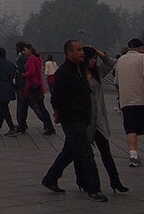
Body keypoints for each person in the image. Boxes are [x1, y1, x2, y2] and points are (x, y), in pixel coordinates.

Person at [41, 40, 107, 201]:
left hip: (83, 117)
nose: (82, 52)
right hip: (71, 118)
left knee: (69, 152)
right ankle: (94, 188)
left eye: (81, 50)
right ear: (69, 53)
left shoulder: (81, 69)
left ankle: (50, 178)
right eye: (78, 50)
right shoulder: (63, 73)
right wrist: (57, 113)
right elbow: (57, 98)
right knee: (85, 152)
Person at [82, 45, 127, 193]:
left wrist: (97, 51)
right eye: (91, 59)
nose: (93, 62)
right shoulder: (77, 75)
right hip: (85, 121)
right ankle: (76, 179)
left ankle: (115, 180)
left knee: (106, 152)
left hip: (99, 120)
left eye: (94, 59)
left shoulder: (98, 73)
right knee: (75, 153)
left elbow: (112, 63)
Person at [113, 37, 144, 167]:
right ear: (140, 48)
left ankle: (133, 156)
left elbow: (116, 82)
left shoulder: (120, 60)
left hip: (126, 102)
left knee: (130, 129)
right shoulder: (143, 58)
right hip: (143, 100)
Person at [22, 44, 55, 135]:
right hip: (37, 85)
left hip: (32, 86)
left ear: (29, 50)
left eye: (25, 50)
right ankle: (48, 125)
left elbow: (32, 72)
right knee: (40, 106)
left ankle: (47, 125)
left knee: (36, 107)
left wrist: (24, 74)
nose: (24, 52)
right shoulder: (38, 58)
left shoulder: (31, 59)